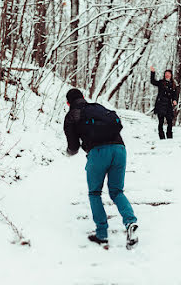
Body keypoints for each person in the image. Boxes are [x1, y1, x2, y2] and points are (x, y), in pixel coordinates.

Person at [63, 88, 138, 249]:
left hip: (98, 153)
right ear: (83, 97)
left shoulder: (71, 116)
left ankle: (102, 234)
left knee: (95, 193)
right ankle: (130, 222)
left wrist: (68, 153)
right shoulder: (97, 107)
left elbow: (73, 147)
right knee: (117, 191)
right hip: (120, 149)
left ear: (68, 103)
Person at [150, 66, 179, 139]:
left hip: (168, 105)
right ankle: (162, 137)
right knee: (161, 122)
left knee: (170, 121)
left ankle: (169, 137)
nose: (167, 75)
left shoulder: (173, 85)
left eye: (169, 74)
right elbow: (153, 81)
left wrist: (175, 100)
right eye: (166, 73)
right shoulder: (161, 82)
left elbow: (175, 94)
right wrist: (152, 72)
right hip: (160, 104)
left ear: (171, 75)